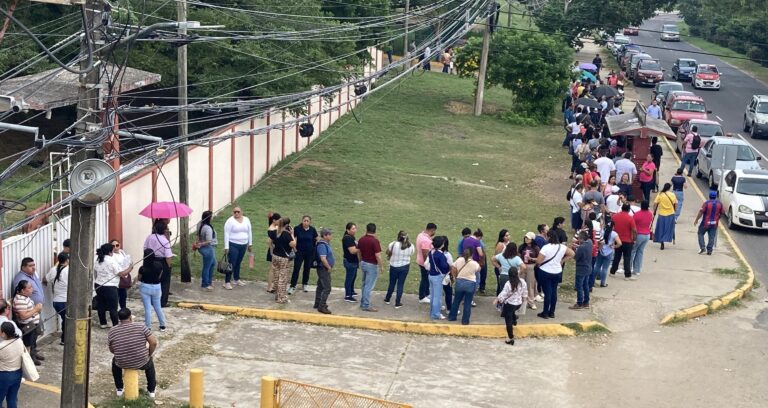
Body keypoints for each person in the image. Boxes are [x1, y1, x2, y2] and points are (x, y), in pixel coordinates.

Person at [108, 308, 158, 399]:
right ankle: (151, 390)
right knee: (150, 365)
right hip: (141, 361)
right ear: (130, 317)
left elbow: (112, 349)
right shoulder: (141, 327)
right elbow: (153, 342)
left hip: (122, 362)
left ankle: (119, 389)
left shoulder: (112, 330)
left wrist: (121, 353)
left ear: (119, 318)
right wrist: (149, 354)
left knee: (115, 364)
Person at [535, 232, 574, 319]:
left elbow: (539, 261)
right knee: (554, 292)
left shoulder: (546, 247)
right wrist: (562, 260)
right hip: (557, 271)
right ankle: (552, 312)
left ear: (548, 237)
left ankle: (545, 312)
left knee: (547, 292)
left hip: (545, 271)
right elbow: (572, 253)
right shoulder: (562, 247)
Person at [95, 243, 130, 329]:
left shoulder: (98, 259)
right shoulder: (111, 261)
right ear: (110, 252)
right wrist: (130, 268)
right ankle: (115, 325)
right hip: (110, 287)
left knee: (101, 305)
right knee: (113, 307)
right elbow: (121, 274)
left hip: (98, 285)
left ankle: (103, 323)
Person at [494, 269, 527, 345]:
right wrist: (524, 300)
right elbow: (525, 292)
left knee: (508, 321)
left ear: (509, 275)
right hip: (518, 304)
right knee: (511, 312)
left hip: (509, 304)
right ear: (517, 274)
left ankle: (510, 338)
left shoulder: (508, 283)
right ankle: (514, 320)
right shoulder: (522, 282)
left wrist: (497, 299)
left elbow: (504, 293)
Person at [12, 280, 42, 365]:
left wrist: (36, 311)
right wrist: (36, 309)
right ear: (23, 290)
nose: (32, 289)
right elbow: (23, 316)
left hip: (32, 324)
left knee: (33, 342)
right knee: (28, 344)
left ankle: (33, 355)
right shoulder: (20, 300)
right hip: (27, 326)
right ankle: (30, 361)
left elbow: (29, 311)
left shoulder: (25, 297)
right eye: (29, 288)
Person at [136, 249, 167, 331]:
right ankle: (162, 325)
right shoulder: (159, 265)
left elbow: (139, 278)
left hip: (145, 287)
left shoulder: (142, 268)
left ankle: (148, 327)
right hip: (156, 287)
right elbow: (160, 276)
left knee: (147, 308)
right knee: (158, 307)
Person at [448, 249, 481, 325]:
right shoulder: (474, 263)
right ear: (472, 255)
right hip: (470, 283)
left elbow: (453, 267)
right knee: (467, 303)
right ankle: (465, 321)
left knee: (456, 301)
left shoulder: (459, 260)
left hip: (459, 282)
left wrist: (455, 276)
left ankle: (452, 317)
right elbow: (479, 269)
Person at [143, 221, 172, 306]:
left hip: (150, 260)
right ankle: (162, 302)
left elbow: (145, 248)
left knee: (151, 281)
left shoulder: (150, 237)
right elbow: (168, 256)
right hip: (161, 261)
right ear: (164, 230)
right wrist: (169, 266)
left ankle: (151, 300)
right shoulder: (165, 240)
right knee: (164, 282)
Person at [223, 207, 253, 289]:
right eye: (235, 212)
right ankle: (227, 282)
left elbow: (249, 231)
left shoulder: (246, 219)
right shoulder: (230, 221)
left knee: (238, 262)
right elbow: (226, 234)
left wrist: (250, 244)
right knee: (232, 263)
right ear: (233, 212)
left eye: (238, 212)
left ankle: (236, 279)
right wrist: (226, 247)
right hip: (233, 244)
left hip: (243, 244)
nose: (236, 213)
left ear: (241, 212)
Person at [384, 231, 415, 308]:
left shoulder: (393, 244)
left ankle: (387, 298)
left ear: (398, 237)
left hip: (393, 266)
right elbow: (411, 254)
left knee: (392, 283)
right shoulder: (411, 246)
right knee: (400, 284)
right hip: (405, 267)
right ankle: (397, 302)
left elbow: (387, 252)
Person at [269, 217, 296, 304]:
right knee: (282, 278)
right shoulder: (287, 234)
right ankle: (281, 298)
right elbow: (293, 244)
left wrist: (272, 251)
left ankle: (277, 295)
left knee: (276, 277)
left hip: (275, 256)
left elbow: (270, 241)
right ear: (287, 225)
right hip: (284, 258)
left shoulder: (274, 232)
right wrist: (292, 234)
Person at [358, 223, 383, 312]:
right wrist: (381, 266)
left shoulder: (361, 239)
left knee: (364, 284)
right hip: (371, 265)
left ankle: (363, 302)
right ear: (375, 230)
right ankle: (366, 305)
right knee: (369, 286)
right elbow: (378, 255)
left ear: (366, 229)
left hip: (363, 263)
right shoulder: (375, 241)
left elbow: (359, 252)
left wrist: (360, 261)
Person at [44, 252, 69, 345]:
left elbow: (45, 279)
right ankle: (64, 339)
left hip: (56, 301)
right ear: (67, 260)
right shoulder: (68, 270)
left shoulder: (53, 269)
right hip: (65, 301)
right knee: (67, 321)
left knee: (65, 320)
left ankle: (64, 339)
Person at [290, 215, 318, 294]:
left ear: (310, 222)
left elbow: (316, 238)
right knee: (296, 268)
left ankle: (305, 284)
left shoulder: (312, 229)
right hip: (299, 252)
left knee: (307, 268)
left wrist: (314, 247)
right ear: (302, 221)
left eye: (307, 221)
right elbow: (292, 238)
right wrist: (294, 249)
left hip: (309, 252)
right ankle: (292, 286)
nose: (306, 222)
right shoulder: (297, 228)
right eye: (304, 221)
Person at [609, 204, 637, 279]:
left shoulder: (615, 216)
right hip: (628, 241)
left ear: (621, 208)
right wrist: (634, 239)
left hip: (617, 239)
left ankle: (612, 272)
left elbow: (611, 227)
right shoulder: (630, 218)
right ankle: (627, 275)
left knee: (617, 256)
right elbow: (634, 230)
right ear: (629, 210)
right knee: (627, 258)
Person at [0, 321, 24, 407]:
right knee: (12, 399)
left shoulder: (2, 346)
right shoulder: (19, 341)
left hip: (4, 375)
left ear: (4, 333)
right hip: (17, 374)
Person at [427, 236, 451, 320]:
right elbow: (444, 266)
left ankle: (432, 311)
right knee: (437, 297)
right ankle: (435, 314)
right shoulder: (440, 255)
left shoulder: (431, 252)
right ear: (441, 244)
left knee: (433, 295)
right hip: (437, 277)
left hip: (431, 275)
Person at [694, 191, 725, 255]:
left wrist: (696, 220)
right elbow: (722, 212)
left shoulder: (706, 203)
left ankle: (702, 247)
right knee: (712, 237)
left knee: (700, 233)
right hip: (714, 224)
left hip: (705, 223)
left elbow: (701, 212)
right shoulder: (719, 204)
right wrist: (718, 218)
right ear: (716, 197)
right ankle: (709, 250)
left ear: (709, 196)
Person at [594, 216, 621, 287]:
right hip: (609, 252)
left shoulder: (601, 231)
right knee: (605, 268)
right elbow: (619, 243)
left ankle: (592, 281)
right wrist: (614, 246)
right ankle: (602, 283)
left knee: (597, 266)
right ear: (613, 227)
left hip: (601, 250)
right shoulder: (614, 234)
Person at [569, 230, 593, 309]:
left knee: (579, 286)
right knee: (585, 285)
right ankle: (586, 302)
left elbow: (576, 257)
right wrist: (578, 246)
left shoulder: (581, 248)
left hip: (581, 269)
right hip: (588, 267)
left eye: (579, 238)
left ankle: (579, 303)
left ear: (582, 239)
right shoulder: (590, 242)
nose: (578, 240)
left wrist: (574, 249)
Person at [195, 210, 218, 291]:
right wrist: (200, 244)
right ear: (209, 218)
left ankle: (209, 281)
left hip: (203, 248)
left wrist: (198, 243)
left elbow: (197, 235)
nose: (212, 218)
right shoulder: (208, 228)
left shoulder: (199, 224)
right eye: (211, 216)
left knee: (213, 263)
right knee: (207, 266)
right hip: (208, 248)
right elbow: (209, 241)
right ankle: (205, 284)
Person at [314, 228, 334, 314]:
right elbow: (323, 258)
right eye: (330, 234)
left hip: (323, 268)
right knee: (327, 288)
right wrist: (329, 267)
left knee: (320, 286)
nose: (331, 236)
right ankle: (322, 306)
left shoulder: (325, 244)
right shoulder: (322, 245)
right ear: (325, 236)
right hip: (323, 269)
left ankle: (317, 303)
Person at [416, 223, 437, 304]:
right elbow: (425, 254)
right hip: (424, 263)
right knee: (425, 279)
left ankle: (426, 293)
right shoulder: (426, 241)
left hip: (420, 260)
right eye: (434, 231)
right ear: (432, 230)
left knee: (425, 278)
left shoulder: (420, 235)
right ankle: (422, 296)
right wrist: (427, 265)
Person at [632, 201, 654, 278]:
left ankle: (629, 267)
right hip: (647, 235)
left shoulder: (637, 214)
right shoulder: (650, 214)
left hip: (639, 234)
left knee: (632, 251)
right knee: (640, 252)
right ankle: (637, 270)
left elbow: (633, 226)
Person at [653, 183, 678, 250]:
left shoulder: (660, 194)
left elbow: (655, 203)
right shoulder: (672, 194)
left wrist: (654, 211)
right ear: (669, 188)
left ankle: (661, 241)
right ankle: (665, 238)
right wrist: (675, 210)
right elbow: (676, 204)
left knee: (661, 228)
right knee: (668, 228)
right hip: (670, 214)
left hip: (662, 214)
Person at [519, 232, 539, 310]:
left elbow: (539, 258)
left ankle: (531, 302)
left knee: (530, 285)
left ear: (532, 239)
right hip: (522, 266)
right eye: (525, 238)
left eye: (528, 238)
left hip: (531, 266)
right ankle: (520, 301)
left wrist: (531, 259)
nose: (526, 239)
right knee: (521, 284)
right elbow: (518, 256)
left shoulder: (536, 248)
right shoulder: (522, 247)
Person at [110, 239, 132, 309]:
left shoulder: (122, 252)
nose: (115, 247)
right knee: (116, 296)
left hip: (124, 276)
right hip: (116, 277)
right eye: (113, 246)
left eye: (117, 245)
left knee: (123, 296)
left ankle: (123, 310)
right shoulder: (111, 255)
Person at [342, 222, 360, 302]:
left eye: (355, 228)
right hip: (350, 261)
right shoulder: (348, 238)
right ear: (348, 230)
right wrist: (361, 248)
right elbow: (352, 251)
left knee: (353, 277)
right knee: (349, 278)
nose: (355, 230)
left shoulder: (352, 237)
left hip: (353, 261)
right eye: (353, 229)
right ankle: (348, 295)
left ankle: (351, 291)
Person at [490, 229, 510, 295]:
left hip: (507, 267)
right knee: (501, 285)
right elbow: (496, 258)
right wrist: (499, 267)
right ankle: (499, 297)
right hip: (500, 267)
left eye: (508, 235)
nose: (508, 237)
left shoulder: (509, 243)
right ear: (502, 237)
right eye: (506, 236)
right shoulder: (500, 245)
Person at [265, 212, 281, 293]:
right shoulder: (271, 229)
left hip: (277, 249)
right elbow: (270, 242)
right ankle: (269, 287)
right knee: (272, 269)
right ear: (274, 220)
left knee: (276, 269)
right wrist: (271, 252)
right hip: (273, 250)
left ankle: (275, 285)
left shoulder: (276, 226)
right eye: (278, 220)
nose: (279, 222)